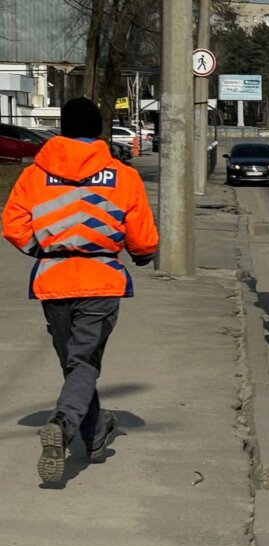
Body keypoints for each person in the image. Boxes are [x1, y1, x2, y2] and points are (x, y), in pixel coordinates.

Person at [1, 97, 158, 485]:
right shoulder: (121, 175)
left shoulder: (35, 174)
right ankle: (64, 423)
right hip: (100, 278)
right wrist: (141, 254)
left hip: (52, 281)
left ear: (62, 130)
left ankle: (93, 431)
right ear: (99, 131)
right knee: (84, 363)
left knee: (75, 364)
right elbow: (142, 239)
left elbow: (13, 225)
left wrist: (43, 248)